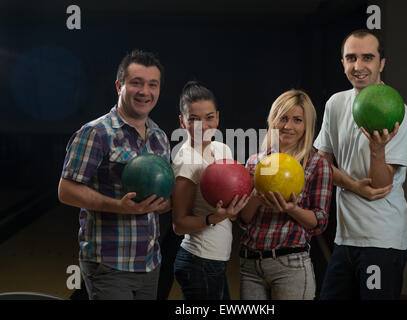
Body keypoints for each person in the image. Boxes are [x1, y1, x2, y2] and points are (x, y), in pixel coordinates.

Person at [58, 50, 171, 300]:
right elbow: (66, 190)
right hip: (109, 263)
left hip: (150, 263)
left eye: (153, 85)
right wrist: (118, 207)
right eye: (136, 83)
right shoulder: (96, 133)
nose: (145, 91)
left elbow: (162, 198)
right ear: (119, 86)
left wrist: (162, 203)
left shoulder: (160, 137)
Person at [314, 29, 407, 300]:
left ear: (381, 63)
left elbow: (382, 185)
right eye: (351, 58)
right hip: (345, 239)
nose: (358, 66)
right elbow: (320, 165)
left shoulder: (398, 112)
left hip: (382, 242)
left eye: (367, 58)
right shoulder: (336, 104)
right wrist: (352, 185)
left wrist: (377, 150)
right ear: (343, 63)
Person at [239, 89, 333, 300]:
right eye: (283, 118)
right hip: (250, 265)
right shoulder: (255, 162)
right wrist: (255, 194)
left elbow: (319, 222)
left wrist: (292, 209)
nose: (288, 126)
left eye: (297, 120)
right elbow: (244, 219)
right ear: (273, 120)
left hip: (290, 265)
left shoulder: (317, 164)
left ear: (306, 125)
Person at [171, 81, 249, 300]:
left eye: (209, 117)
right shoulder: (186, 160)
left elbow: (229, 210)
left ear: (218, 117)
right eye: (193, 119)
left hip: (215, 261)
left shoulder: (222, 149)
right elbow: (179, 225)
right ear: (182, 121)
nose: (203, 126)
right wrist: (214, 218)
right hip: (198, 261)